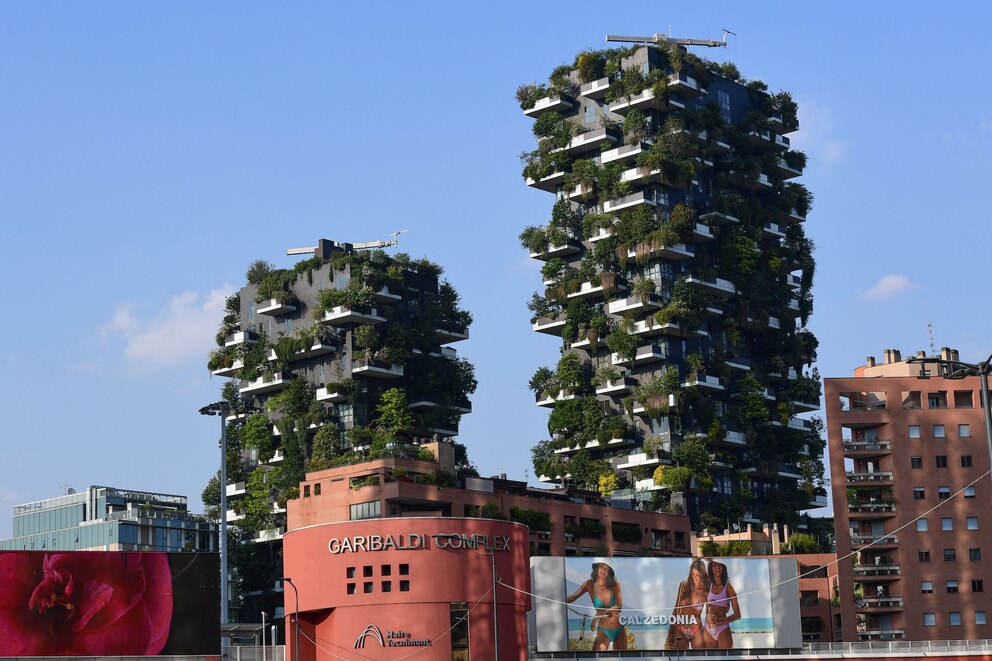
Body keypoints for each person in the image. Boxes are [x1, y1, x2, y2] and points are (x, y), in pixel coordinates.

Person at [566, 558, 626, 650]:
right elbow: (573, 597)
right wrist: (558, 598)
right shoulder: (589, 584)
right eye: (602, 567)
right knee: (596, 658)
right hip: (603, 631)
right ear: (597, 567)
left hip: (619, 630)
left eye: (607, 569)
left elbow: (618, 607)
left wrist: (598, 615)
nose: (604, 570)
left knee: (622, 659)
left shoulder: (615, 584)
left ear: (609, 572)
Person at [665, 558, 709, 649]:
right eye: (693, 574)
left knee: (700, 658)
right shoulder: (684, 586)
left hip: (696, 629)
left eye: (698, 575)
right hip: (680, 629)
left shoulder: (706, 592)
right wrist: (670, 632)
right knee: (679, 658)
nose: (695, 578)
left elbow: (710, 613)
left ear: (703, 575)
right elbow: (676, 608)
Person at [702, 559, 741, 649]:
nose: (717, 567)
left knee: (727, 658)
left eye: (719, 565)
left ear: (723, 567)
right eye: (714, 565)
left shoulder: (729, 588)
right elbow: (708, 610)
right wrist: (707, 617)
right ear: (711, 568)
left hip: (722, 628)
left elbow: (738, 615)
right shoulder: (709, 585)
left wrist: (722, 621)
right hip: (708, 627)